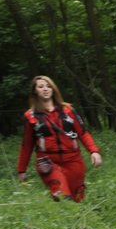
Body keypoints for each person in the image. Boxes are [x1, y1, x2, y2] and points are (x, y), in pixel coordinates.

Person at [16, 75, 102, 203]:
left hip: (73, 159)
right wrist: (21, 169)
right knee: (62, 195)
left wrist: (94, 151)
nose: (45, 89)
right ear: (35, 91)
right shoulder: (31, 116)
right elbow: (27, 144)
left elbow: (82, 132)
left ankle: (78, 221)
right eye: (41, 87)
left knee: (77, 196)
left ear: (53, 89)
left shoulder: (68, 110)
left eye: (48, 86)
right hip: (47, 161)